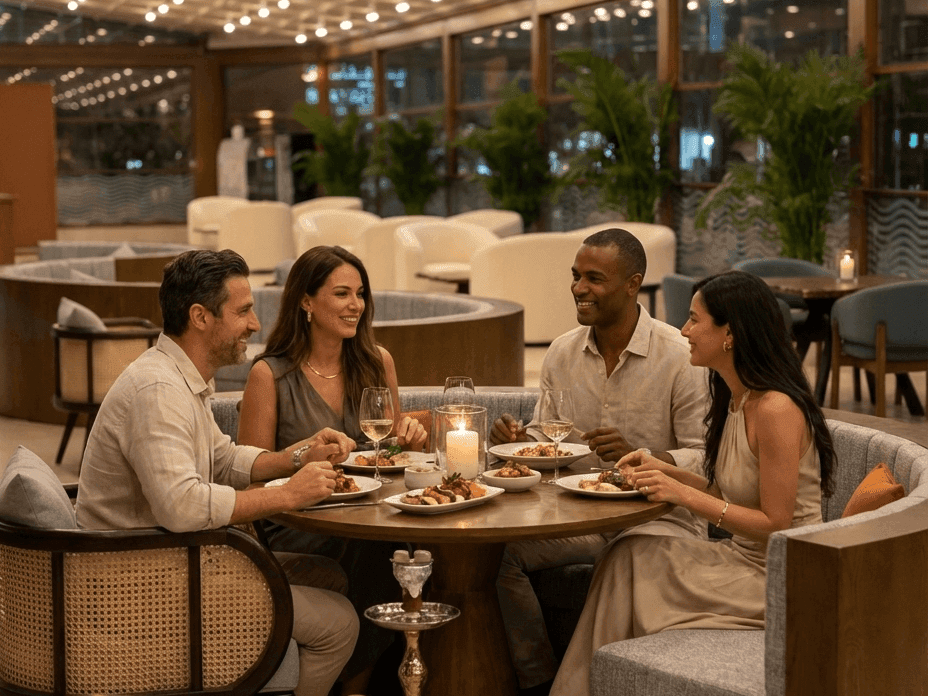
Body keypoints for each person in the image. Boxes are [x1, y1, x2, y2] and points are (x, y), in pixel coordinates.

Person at [75, 249, 360, 696]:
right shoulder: (158, 390)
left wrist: (300, 456)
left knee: (331, 575)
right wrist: (286, 495)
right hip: (137, 587)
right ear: (200, 317)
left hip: (170, 563)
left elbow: (225, 459)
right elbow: (182, 506)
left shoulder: (180, 379)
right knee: (340, 624)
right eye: (243, 311)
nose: (255, 324)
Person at [550, 270, 837, 696]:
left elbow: (777, 523)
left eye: (694, 319)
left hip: (777, 578)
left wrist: (682, 494)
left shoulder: (777, 409)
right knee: (627, 550)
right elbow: (728, 495)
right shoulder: (736, 396)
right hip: (740, 560)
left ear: (730, 334)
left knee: (627, 564)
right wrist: (663, 469)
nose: (683, 330)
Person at [490, 228, 710, 695]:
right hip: (580, 517)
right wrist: (513, 439)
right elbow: (546, 439)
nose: (578, 288)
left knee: (624, 558)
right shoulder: (562, 352)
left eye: (594, 278)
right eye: (575, 276)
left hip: (661, 518)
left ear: (633, 284)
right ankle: (539, 680)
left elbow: (708, 459)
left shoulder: (680, 357)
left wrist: (644, 455)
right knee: (497, 555)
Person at [237, 245, 427, 695]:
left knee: (414, 545)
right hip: (297, 521)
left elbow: (390, 452)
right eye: (341, 293)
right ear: (306, 301)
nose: (355, 305)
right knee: (374, 550)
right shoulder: (270, 375)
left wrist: (410, 435)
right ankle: (358, 689)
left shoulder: (376, 361)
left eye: (360, 294)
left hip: (371, 513)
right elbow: (250, 472)